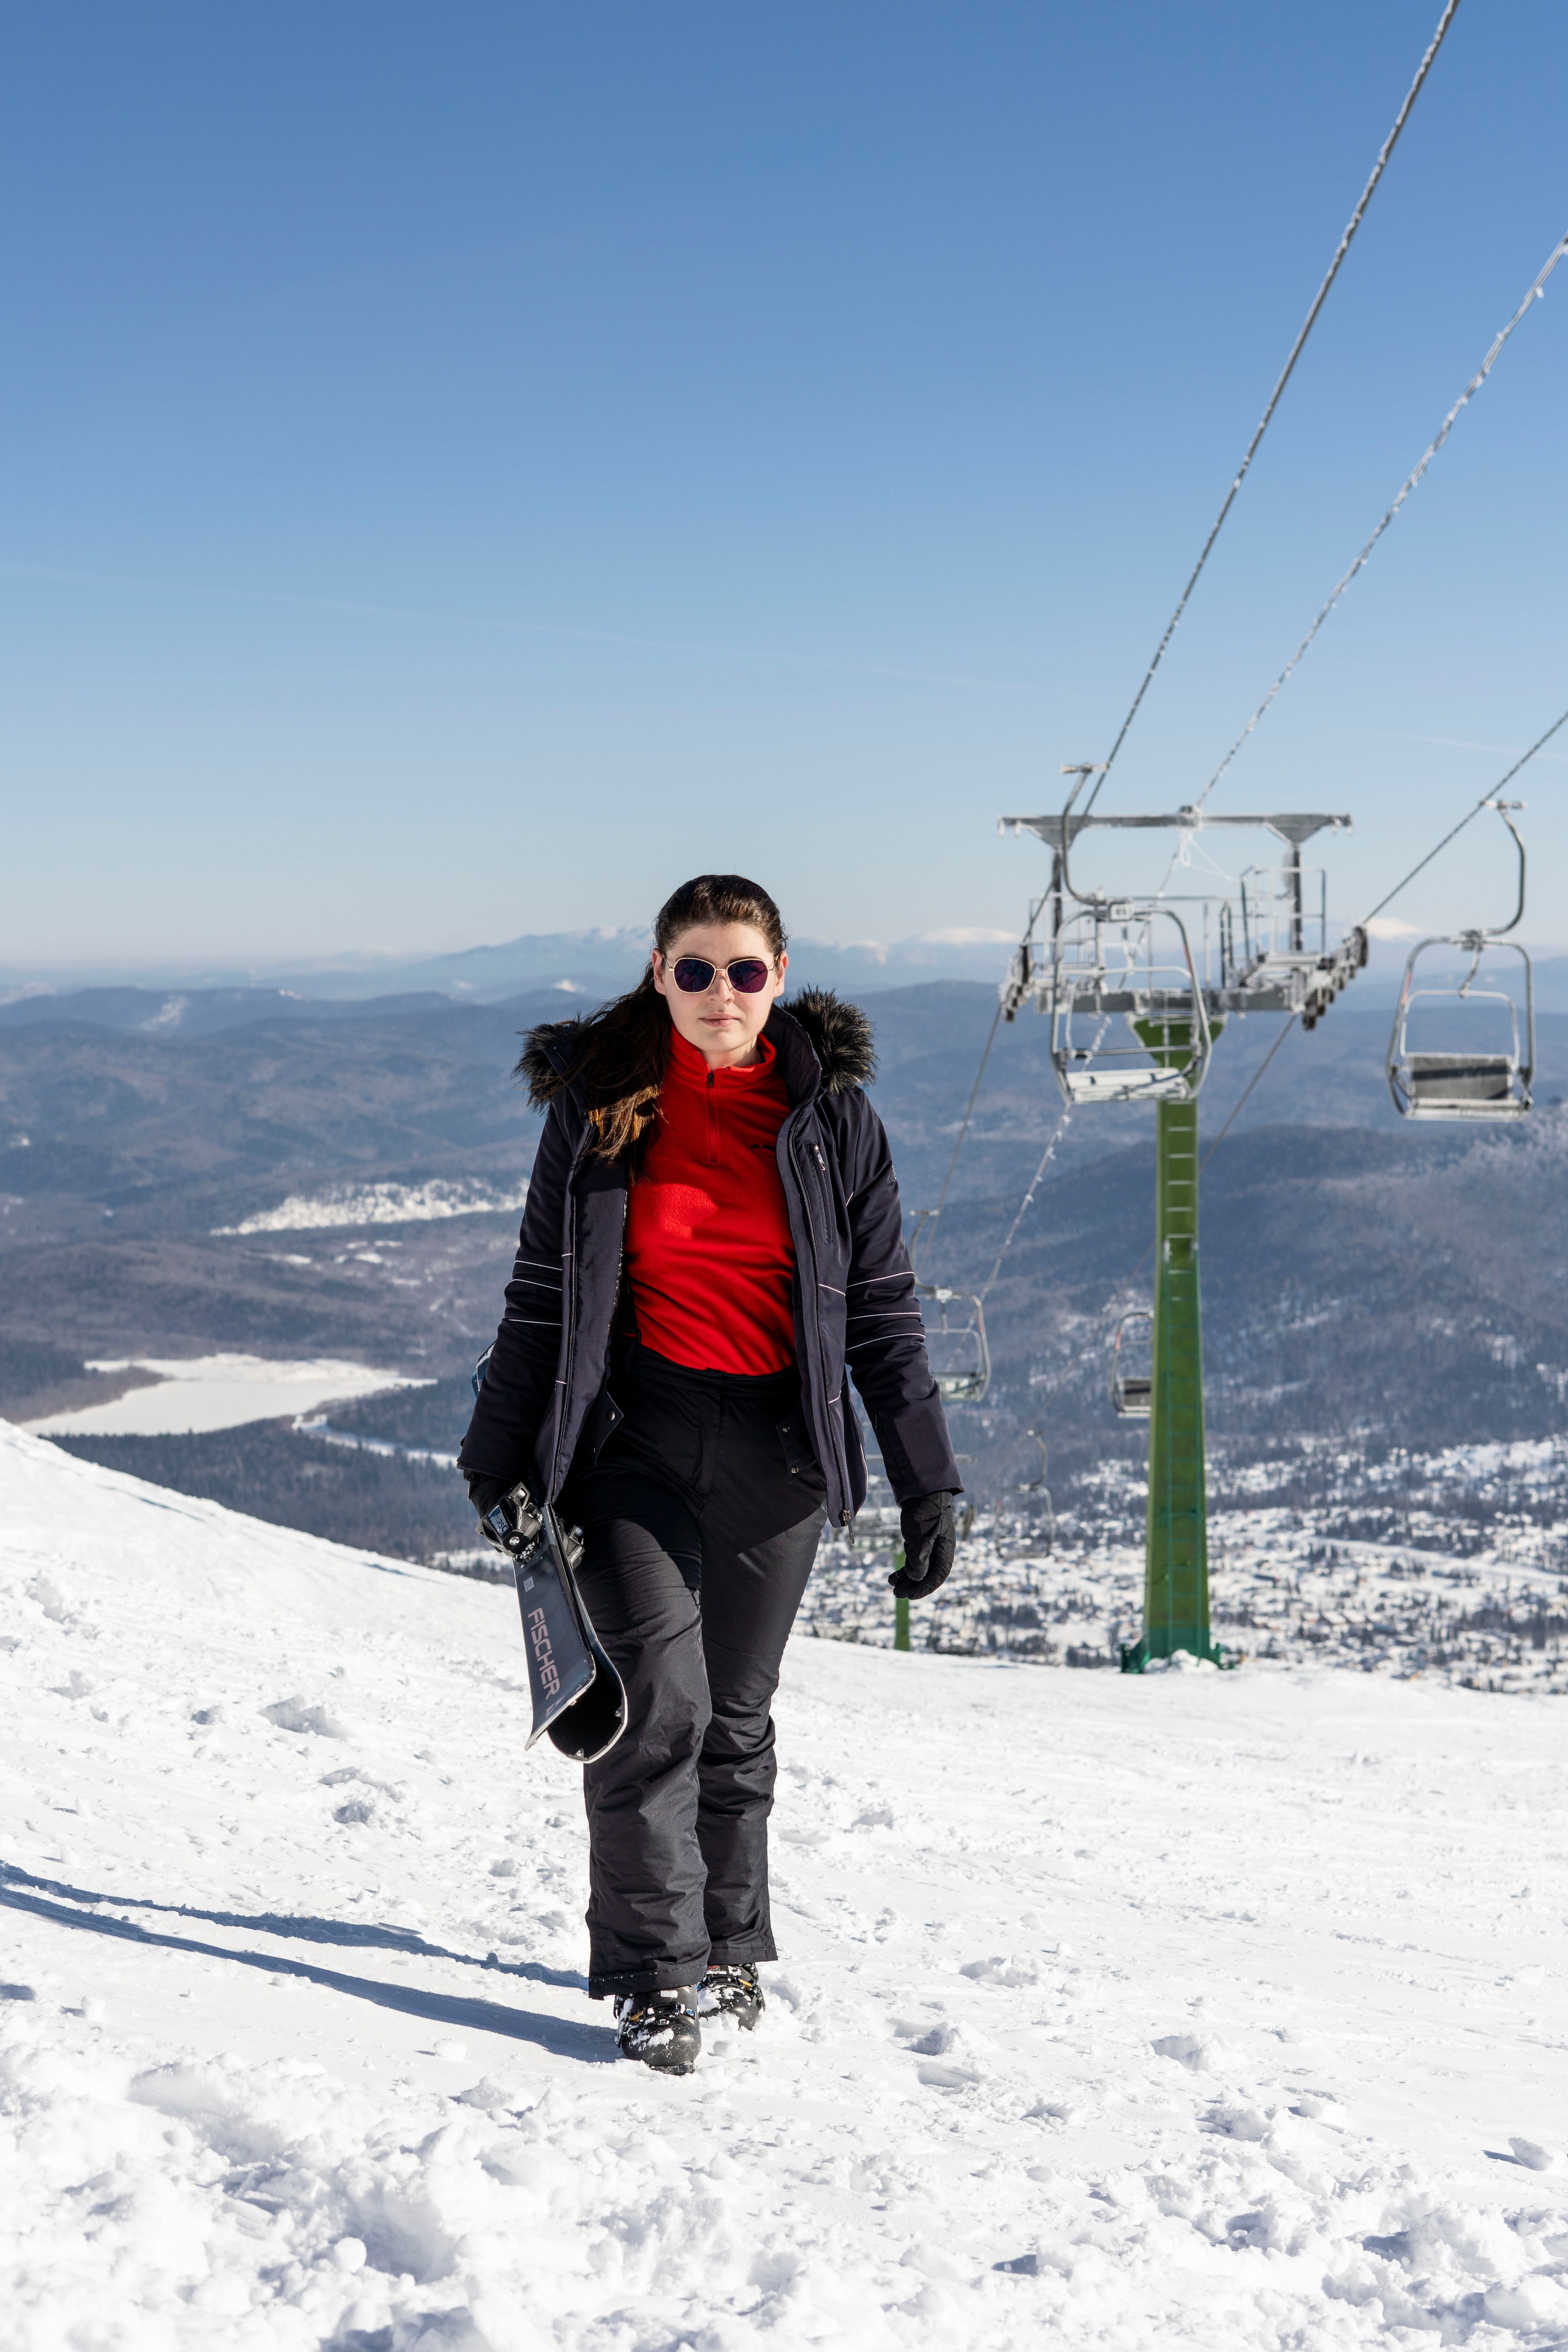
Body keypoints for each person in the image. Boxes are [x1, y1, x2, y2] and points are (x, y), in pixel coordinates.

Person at [459, 873, 961, 2074]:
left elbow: (883, 1313)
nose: (718, 993)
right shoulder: (600, 1106)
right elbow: (542, 1297)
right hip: (630, 1445)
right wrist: (498, 1460)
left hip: (775, 1457)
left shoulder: (831, 1122)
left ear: (778, 979)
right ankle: (652, 1979)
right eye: (694, 970)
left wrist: (924, 1479)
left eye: (742, 971)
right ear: (657, 974)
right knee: (656, 1707)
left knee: (733, 1721)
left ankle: (726, 1948)